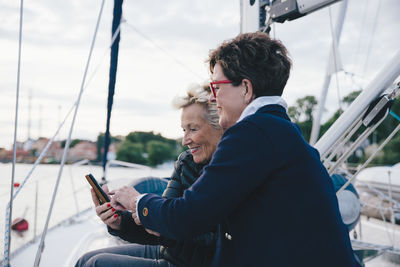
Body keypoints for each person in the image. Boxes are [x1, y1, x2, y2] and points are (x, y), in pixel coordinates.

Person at [112, 32, 358, 266]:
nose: (212, 97)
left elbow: (188, 217)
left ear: (246, 89)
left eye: (216, 87)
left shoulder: (252, 133)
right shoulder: (280, 131)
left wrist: (137, 201)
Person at [75, 84, 223, 267]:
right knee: (84, 260)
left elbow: (212, 242)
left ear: (221, 126)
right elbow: (161, 225)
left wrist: (141, 205)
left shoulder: (230, 171)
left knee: (96, 264)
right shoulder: (186, 162)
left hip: (194, 262)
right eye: (184, 130)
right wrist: (120, 222)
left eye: (193, 129)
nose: (185, 140)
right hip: (171, 252)